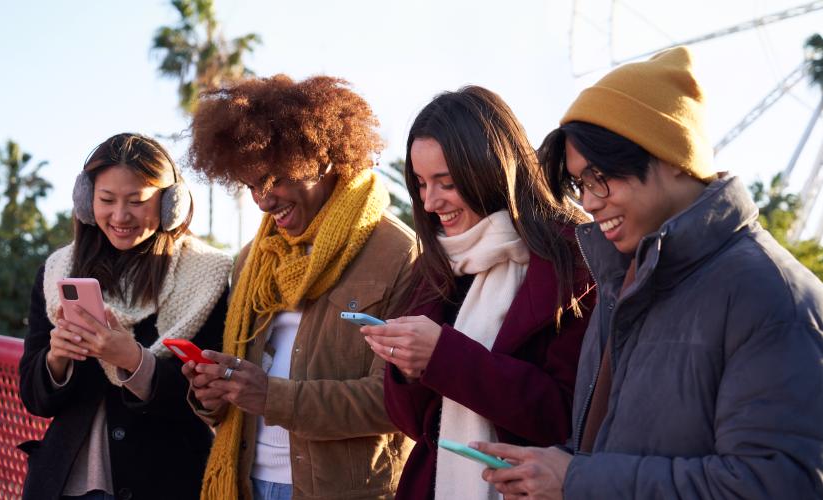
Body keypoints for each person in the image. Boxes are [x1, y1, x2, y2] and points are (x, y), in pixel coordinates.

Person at [476, 46, 823, 499]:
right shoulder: (624, 280)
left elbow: (776, 484)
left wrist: (576, 481)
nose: (590, 200)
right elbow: (614, 445)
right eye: (580, 184)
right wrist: (548, 471)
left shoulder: (770, 293)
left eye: (601, 176)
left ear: (674, 157)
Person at [183, 75, 417, 500]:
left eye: (274, 179)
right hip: (246, 484)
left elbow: (396, 401)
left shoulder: (397, 252)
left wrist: (271, 396)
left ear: (323, 159)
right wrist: (213, 394)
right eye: (251, 185)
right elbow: (236, 401)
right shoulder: (253, 258)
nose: (263, 201)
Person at [359, 86, 595, 500]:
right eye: (420, 184)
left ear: (487, 171)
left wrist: (442, 357)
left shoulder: (575, 261)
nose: (430, 202)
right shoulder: (435, 266)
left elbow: (566, 417)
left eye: (445, 183)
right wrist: (408, 371)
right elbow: (414, 426)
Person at [18, 133, 232, 500]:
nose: (120, 216)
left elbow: (210, 399)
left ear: (171, 204)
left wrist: (133, 361)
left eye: (137, 201)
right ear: (86, 201)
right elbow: (35, 399)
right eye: (106, 200)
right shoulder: (56, 272)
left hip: (169, 481)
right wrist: (56, 359)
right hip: (66, 485)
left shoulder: (207, 276)